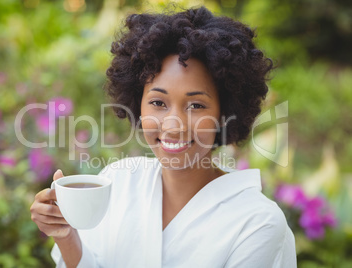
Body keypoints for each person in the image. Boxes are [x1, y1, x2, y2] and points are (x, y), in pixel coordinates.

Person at [30, 6, 297, 268]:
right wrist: (64, 234)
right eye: (158, 103)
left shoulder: (257, 224)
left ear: (224, 113)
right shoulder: (118, 182)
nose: (173, 125)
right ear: (138, 104)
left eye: (196, 106)